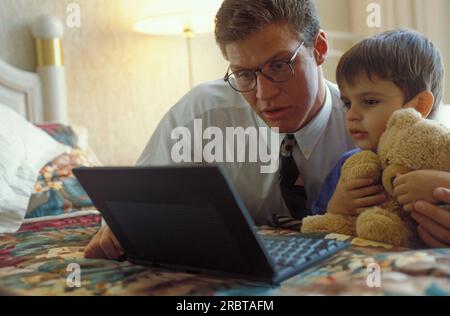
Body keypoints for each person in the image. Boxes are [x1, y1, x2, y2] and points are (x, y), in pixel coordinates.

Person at [85, 0, 361, 259]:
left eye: (279, 66)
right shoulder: (203, 113)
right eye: (243, 74)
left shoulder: (364, 122)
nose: (264, 94)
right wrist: (122, 222)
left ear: (319, 48)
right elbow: (137, 199)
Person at [311, 29, 450, 247]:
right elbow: (317, 230)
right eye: (347, 103)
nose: (351, 115)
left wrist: (442, 184)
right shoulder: (347, 166)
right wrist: (335, 208)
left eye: (369, 102)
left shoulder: (442, 155)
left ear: (419, 105)